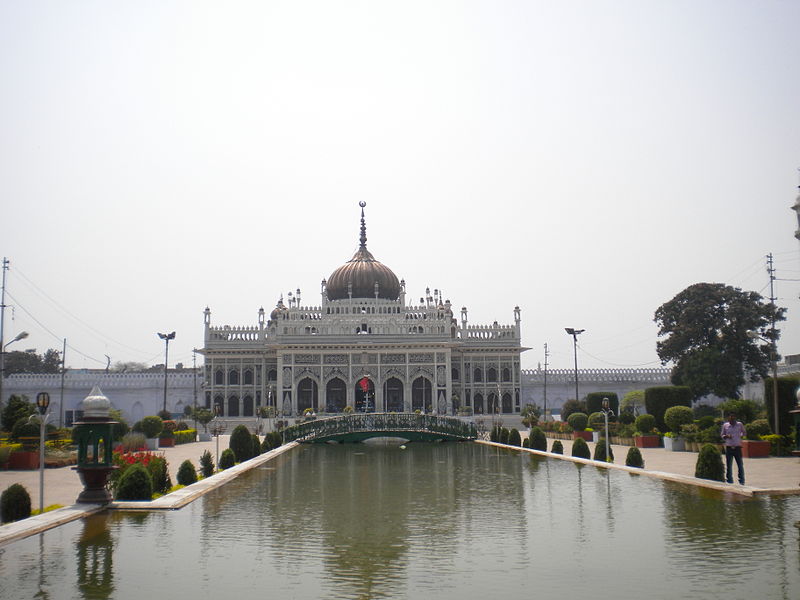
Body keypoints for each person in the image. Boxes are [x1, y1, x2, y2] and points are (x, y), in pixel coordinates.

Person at [721, 412, 746, 485]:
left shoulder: (739, 424)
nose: (732, 419)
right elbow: (722, 435)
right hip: (729, 447)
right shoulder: (725, 425)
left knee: (740, 464)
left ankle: (741, 480)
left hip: (737, 447)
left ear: (735, 418)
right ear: (728, 418)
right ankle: (729, 480)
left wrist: (740, 435)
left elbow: (744, 432)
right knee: (729, 464)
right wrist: (726, 436)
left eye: (733, 417)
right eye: (730, 418)